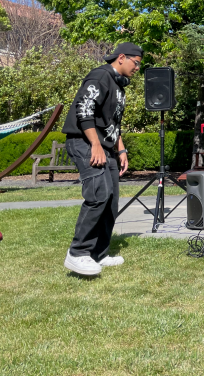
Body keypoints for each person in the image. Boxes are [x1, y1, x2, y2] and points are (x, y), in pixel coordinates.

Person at [62, 42, 142, 276]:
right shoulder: (100, 76)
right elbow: (84, 110)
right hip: (85, 143)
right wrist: (95, 145)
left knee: (110, 200)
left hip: (106, 147)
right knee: (98, 195)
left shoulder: (119, 86)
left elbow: (112, 123)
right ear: (121, 57)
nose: (137, 68)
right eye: (135, 63)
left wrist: (121, 149)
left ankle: (98, 253)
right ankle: (77, 253)